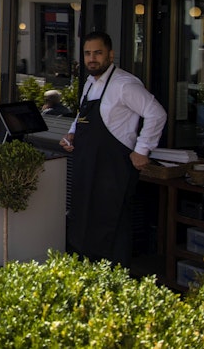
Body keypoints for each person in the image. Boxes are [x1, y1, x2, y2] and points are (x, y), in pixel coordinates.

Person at [61, 31, 166, 267]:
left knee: (112, 226)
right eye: (88, 54)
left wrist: (142, 150)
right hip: (87, 166)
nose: (92, 59)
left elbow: (156, 113)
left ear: (110, 55)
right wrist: (71, 133)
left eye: (97, 53)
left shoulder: (124, 85)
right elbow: (81, 116)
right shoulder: (90, 83)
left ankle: (115, 280)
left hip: (113, 169)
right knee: (83, 222)